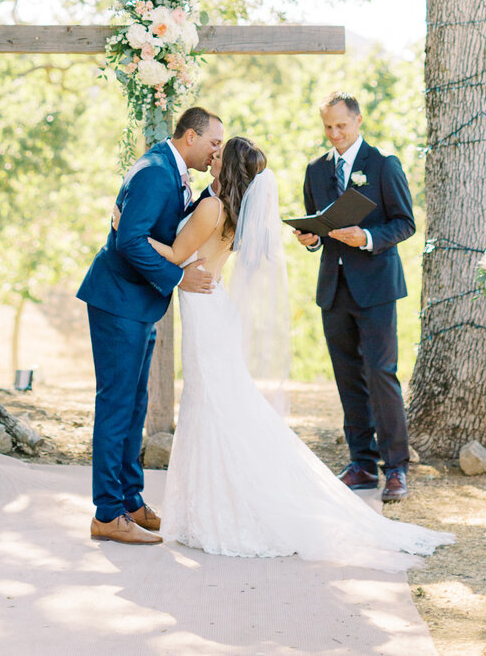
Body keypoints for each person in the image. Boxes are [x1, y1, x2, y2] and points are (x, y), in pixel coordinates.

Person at [151, 134, 451, 564]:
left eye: (218, 156)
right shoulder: (230, 209)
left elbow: (176, 256)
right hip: (211, 308)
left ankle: (223, 509)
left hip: (205, 310)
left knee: (212, 407)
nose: (210, 159)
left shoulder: (211, 207)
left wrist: (132, 235)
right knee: (214, 407)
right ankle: (213, 505)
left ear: (228, 168)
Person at [77, 106, 221, 545]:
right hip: (118, 301)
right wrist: (178, 277)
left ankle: (130, 500)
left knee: (134, 406)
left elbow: (164, 226)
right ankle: (106, 513)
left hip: (137, 304)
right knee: (117, 406)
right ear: (191, 137)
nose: (217, 151)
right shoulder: (158, 171)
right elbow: (130, 241)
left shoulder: (172, 170)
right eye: (214, 142)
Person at [295, 93, 415, 503]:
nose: (335, 134)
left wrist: (367, 237)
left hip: (377, 287)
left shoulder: (384, 165)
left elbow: (405, 223)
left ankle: (396, 467)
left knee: (381, 374)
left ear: (359, 120)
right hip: (334, 288)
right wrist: (310, 238)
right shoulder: (315, 170)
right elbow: (316, 226)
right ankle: (361, 463)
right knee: (348, 377)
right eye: (328, 127)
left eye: (342, 126)